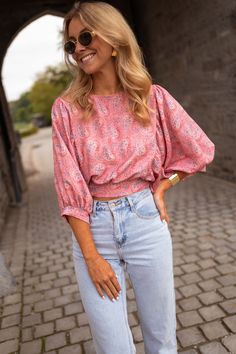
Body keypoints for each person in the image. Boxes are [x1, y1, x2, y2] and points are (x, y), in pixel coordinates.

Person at [51, 1, 215, 353]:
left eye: (85, 37)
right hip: (94, 231)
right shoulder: (67, 109)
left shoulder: (151, 97)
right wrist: (93, 257)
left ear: (112, 39)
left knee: (161, 339)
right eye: (71, 44)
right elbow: (69, 189)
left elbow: (200, 148)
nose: (78, 48)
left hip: (145, 221)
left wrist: (164, 184)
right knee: (113, 347)